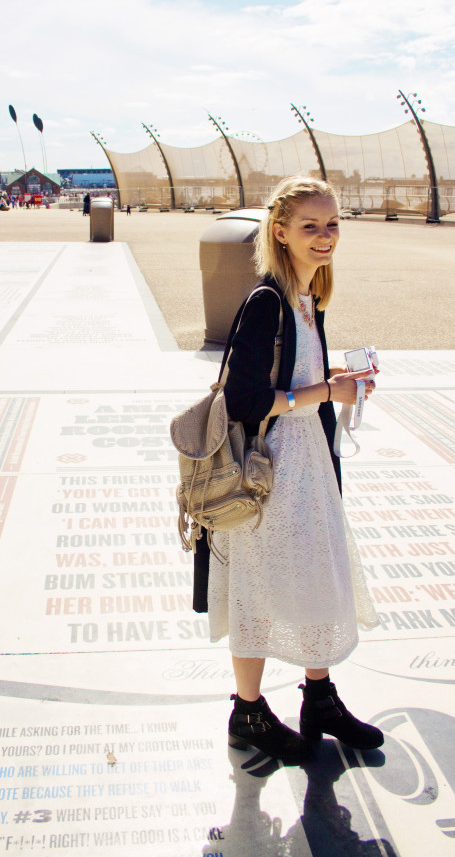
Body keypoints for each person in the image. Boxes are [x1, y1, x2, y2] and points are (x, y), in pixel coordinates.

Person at [197, 176, 383, 765]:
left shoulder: (308, 298)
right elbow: (248, 400)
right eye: (311, 226)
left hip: (307, 469)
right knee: (258, 589)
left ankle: (318, 697)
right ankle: (248, 714)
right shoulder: (267, 301)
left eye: (332, 225)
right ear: (280, 232)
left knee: (317, 582)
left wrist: (335, 391)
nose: (325, 237)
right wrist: (328, 390)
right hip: (268, 475)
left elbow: (299, 385)